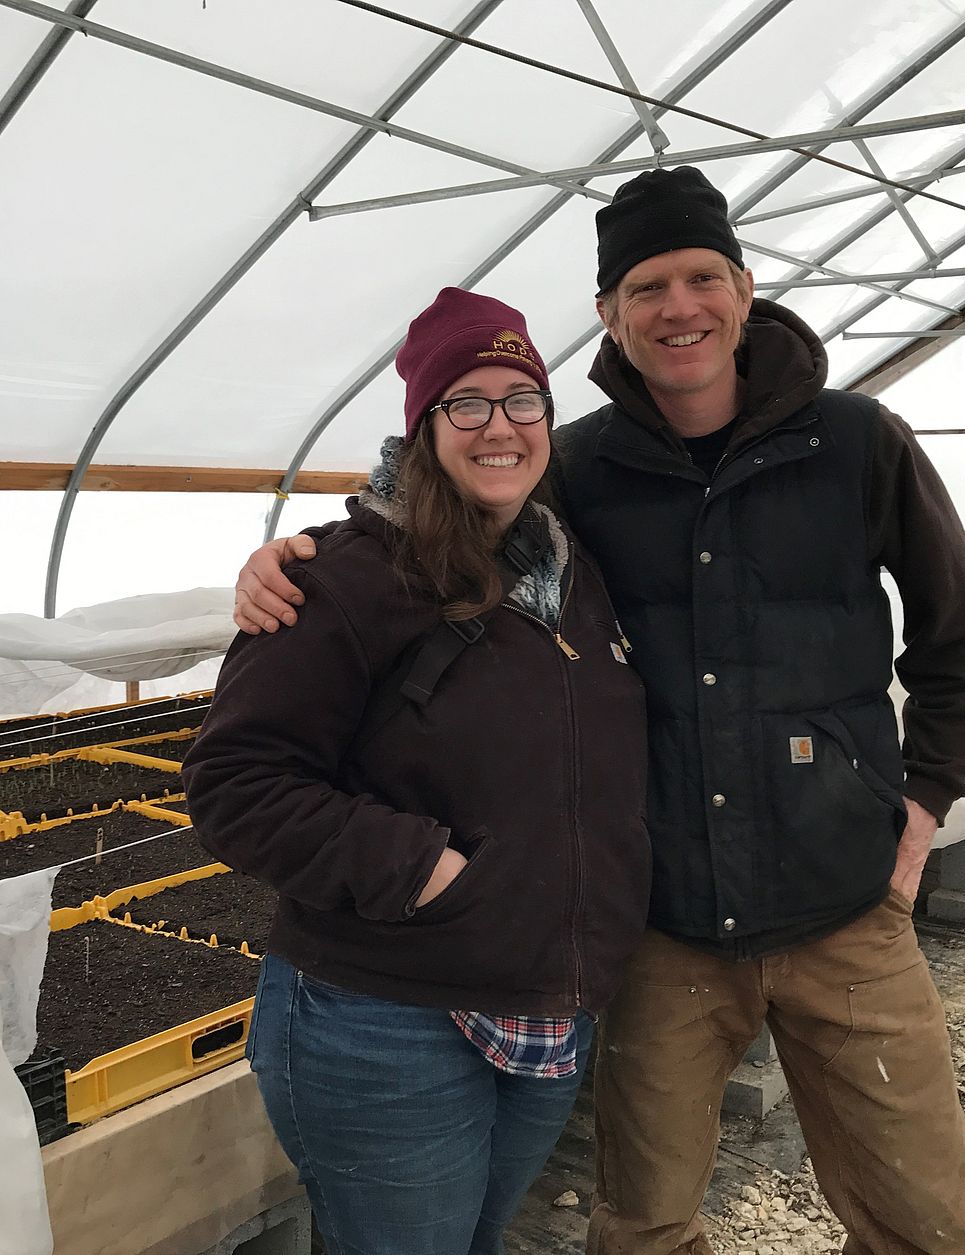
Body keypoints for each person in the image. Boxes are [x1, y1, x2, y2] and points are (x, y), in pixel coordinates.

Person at [234, 168, 965, 1255]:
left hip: (844, 904)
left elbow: (961, 642)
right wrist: (289, 558)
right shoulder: (577, 468)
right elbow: (444, 513)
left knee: (930, 1214)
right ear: (608, 313)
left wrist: (922, 811)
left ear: (745, 288)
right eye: (646, 285)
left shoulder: (856, 444)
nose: (678, 305)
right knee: (643, 1222)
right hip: (665, 929)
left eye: (701, 276)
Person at [183, 288, 651, 1255]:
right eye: (466, 403)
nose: (499, 427)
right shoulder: (345, 576)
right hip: (386, 1015)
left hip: (545, 1004)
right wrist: (422, 870)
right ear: (423, 424)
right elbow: (235, 782)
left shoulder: (572, 573)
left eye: (523, 401)